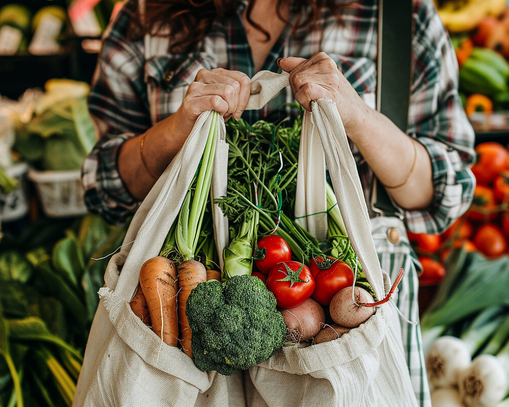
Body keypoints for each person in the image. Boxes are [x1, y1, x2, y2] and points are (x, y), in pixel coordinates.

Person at [81, 0, 475, 405]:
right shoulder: (146, 15)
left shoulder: (397, 13)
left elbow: (448, 191)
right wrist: (176, 128)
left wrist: (356, 114)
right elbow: (103, 186)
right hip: (189, 306)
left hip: (345, 316)